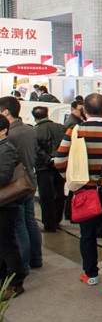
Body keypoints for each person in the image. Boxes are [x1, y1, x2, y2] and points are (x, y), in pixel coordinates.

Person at [54, 93, 102, 298]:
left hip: (85, 190)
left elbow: (59, 161)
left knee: (87, 233)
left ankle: (90, 273)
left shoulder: (75, 131)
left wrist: (72, 180)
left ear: (84, 111)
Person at [0, 96, 42, 273]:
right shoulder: (29, 130)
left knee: (19, 226)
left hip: (14, 186)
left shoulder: (10, 136)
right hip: (28, 181)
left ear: (6, 112)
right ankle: (36, 258)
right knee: (30, 222)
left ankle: (23, 266)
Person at [0, 113, 26, 299]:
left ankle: (16, 283)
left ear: (3, 130)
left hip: (6, 204)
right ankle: (5, 280)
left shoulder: (6, 149)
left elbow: (4, 176)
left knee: (7, 244)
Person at [32, 105, 67, 233]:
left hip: (43, 167)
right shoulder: (61, 127)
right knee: (59, 192)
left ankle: (49, 224)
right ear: (47, 114)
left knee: (46, 196)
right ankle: (57, 219)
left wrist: (48, 159)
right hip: (60, 165)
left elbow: (37, 149)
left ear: (34, 117)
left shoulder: (35, 130)